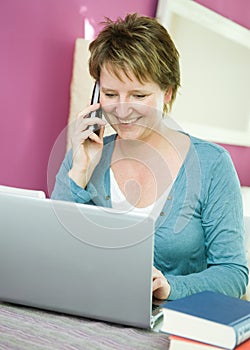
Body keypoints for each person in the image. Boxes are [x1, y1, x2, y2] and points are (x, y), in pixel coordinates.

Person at [51, 13, 248, 300]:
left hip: (172, 324)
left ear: (167, 92)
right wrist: (79, 173)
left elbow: (234, 273)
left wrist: (169, 287)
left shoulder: (213, 165)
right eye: (109, 93)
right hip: (90, 310)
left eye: (139, 96)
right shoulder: (82, 154)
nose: (122, 109)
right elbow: (51, 253)